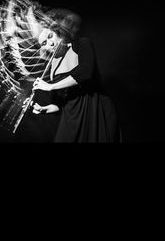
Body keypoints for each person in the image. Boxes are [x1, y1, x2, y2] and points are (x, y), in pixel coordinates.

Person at [31, 12, 122, 143]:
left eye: (50, 36)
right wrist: (44, 109)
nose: (50, 43)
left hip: (94, 109)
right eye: (44, 43)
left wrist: (51, 86)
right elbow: (61, 103)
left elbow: (85, 72)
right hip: (71, 116)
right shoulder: (52, 66)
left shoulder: (81, 43)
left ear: (57, 32)